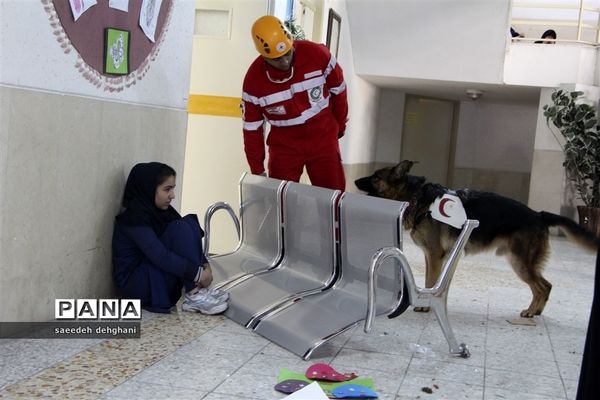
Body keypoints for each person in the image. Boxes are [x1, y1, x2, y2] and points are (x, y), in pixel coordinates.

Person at [241, 15, 348, 191]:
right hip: (284, 146)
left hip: (323, 137)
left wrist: (340, 126)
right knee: (281, 199)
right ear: (263, 56)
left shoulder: (317, 55)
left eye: (288, 54)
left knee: (333, 199)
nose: (284, 62)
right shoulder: (253, 81)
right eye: (276, 59)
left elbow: (339, 91)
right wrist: (257, 171)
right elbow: (252, 130)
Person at [112, 162, 228, 315]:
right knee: (179, 228)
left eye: (172, 188)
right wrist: (198, 274)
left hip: (151, 273)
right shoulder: (133, 218)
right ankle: (193, 295)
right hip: (136, 285)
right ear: (149, 188)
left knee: (188, 224)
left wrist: (206, 266)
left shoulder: (160, 211)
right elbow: (159, 255)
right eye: (167, 189)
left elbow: (186, 240)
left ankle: (197, 291)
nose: (172, 195)